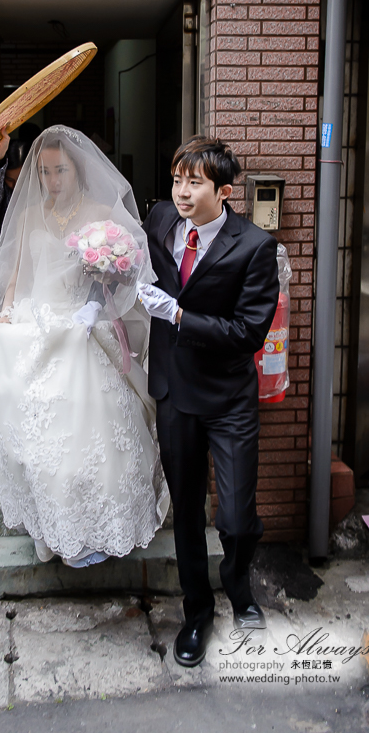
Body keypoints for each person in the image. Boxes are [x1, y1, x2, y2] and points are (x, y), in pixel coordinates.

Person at [0, 125, 169, 568]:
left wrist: (100, 299)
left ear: (77, 169)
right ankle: (53, 528)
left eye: (59, 170)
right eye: (44, 172)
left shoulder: (101, 212)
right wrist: (4, 313)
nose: (51, 180)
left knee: (89, 438)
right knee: (40, 439)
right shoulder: (27, 214)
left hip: (83, 328)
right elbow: (17, 268)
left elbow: (129, 267)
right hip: (38, 320)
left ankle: (96, 529)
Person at [138, 136, 279, 667]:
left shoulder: (254, 246)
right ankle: (197, 612)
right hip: (175, 392)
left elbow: (246, 333)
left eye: (193, 182)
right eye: (177, 179)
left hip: (227, 398)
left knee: (238, 517)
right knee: (188, 512)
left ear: (223, 190)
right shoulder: (158, 220)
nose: (181, 192)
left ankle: (239, 590)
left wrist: (176, 314)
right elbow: (125, 257)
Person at [0, 126, 35, 247]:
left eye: (22, 179)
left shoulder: (43, 190)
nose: (16, 186)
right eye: (10, 179)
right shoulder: (1, 193)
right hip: (3, 255)